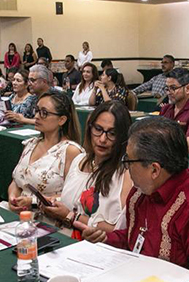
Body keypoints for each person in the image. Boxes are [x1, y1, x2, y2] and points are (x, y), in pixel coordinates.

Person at [75, 116, 189, 282]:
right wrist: (106, 239)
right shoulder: (141, 192)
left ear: (154, 170)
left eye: (128, 161)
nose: (126, 168)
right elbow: (136, 239)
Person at [43, 100, 133, 236]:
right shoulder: (79, 160)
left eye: (112, 133)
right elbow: (74, 201)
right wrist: (55, 203)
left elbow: (119, 231)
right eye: (98, 129)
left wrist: (71, 216)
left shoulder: (127, 174)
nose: (102, 139)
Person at [8, 90, 82, 212]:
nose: (36, 116)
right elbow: (17, 182)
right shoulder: (31, 144)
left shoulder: (70, 151)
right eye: (37, 110)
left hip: (47, 217)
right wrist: (13, 198)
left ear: (61, 120)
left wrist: (33, 202)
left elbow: (73, 196)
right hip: (20, 213)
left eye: (44, 113)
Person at [159, 68, 189, 156]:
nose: (169, 93)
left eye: (173, 88)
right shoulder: (166, 109)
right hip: (169, 157)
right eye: (167, 88)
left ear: (187, 88)